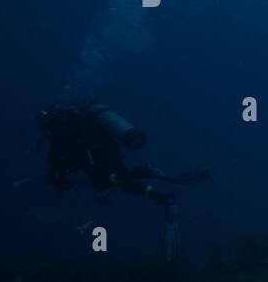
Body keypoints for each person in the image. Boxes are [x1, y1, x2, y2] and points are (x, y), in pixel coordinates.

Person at [36, 100, 209, 259]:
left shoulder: (58, 129)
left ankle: (164, 197)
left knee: (117, 182)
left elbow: (58, 159)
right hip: (108, 149)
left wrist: (55, 177)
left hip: (96, 157)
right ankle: (147, 174)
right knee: (117, 178)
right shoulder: (80, 119)